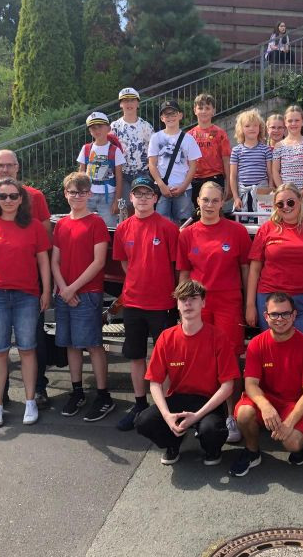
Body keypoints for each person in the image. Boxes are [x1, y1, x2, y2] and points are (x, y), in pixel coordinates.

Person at [0, 178, 52, 427]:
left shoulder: (34, 226)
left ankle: (30, 401)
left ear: (21, 199)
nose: (8, 200)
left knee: (27, 349)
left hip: (27, 295)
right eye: (3, 196)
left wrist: (46, 291)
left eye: (13, 196)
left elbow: (44, 261)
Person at [135, 280, 240, 466]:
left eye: (193, 298)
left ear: (203, 303)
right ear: (177, 304)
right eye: (183, 299)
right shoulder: (166, 337)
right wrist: (167, 416)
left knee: (211, 430)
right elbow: (155, 383)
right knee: (143, 421)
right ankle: (172, 443)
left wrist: (197, 416)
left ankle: (212, 449)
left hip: (208, 400)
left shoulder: (218, 337)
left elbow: (227, 386)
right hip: (178, 397)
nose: (188, 303)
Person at [177, 181, 252, 442]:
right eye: (205, 200)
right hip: (198, 304)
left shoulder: (236, 231)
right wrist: (182, 307)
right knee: (201, 358)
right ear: (197, 201)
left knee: (230, 358)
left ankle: (232, 415)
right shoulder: (186, 234)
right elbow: (184, 273)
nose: (209, 205)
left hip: (228, 302)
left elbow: (245, 270)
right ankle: (205, 414)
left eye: (215, 200)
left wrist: (248, 303)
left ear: (223, 203)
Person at [112, 175, 179, 431]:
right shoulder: (123, 228)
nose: (142, 198)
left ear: (155, 198)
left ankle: (166, 408)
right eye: (138, 194)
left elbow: (176, 265)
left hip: (162, 304)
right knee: (136, 355)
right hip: (133, 302)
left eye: (147, 194)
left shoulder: (168, 228)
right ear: (130, 197)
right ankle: (139, 404)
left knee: (165, 359)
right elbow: (124, 262)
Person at [229, 292, 303, 476]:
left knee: (293, 443)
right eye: (274, 314)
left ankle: (300, 443)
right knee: (244, 414)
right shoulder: (256, 343)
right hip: (266, 399)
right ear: (266, 316)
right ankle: (252, 452)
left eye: (285, 314)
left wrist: (289, 423)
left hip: (293, 404)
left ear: (294, 315)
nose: (280, 319)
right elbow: (251, 384)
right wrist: (265, 406)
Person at [51, 173, 114, 422]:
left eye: (82, 192)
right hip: (64, 293)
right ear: (65, 194)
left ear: (89, 194)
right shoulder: (61, 224)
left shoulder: (96, 223)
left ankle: (103, 395)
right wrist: (63, 288)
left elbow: (99, 262)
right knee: (71, 344)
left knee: (93, 344)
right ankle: (77, 391)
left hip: (87, 293)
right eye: (72, 192)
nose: (77, 196)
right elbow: (54, 261)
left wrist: (72, 288)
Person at [246, 183, 303, 358]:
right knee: (274, 356)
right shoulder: (267, 229)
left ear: (300, 200)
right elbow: (254, 269)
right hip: (271, 300)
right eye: (280, 204)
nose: (286, 207)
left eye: (290, 202)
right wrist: (250, 306)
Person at [148, 100, 202, 225]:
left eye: (173, 114)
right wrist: (161, 185)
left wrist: (183, 186)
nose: (170, 117)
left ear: (180, 115)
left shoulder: (189, 139)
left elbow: (193, 166)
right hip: (162, 188)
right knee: (161, 224)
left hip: (184, 188)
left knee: (184, 224)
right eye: (166, 115)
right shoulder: (156, 138)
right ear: (162, 118)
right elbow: (152, 164)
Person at [77, 111, 126, 228]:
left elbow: (119, 177)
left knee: (109, 228)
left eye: (100, 126)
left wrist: (117, 200)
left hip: (108, 196)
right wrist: (79, 195)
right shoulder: (86, 149)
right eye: (93, 128)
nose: (97, 130)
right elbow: (80, 174)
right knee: (83, 225)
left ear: (108, 128)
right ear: (89, 131)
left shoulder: (115, 150)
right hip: (88, 194)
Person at [110, 87, 154, 213]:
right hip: (122, 175)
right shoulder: (114, 127)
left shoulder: (146, 126)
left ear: (138, 103)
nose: (129, 104)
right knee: (124, 210)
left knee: (144, 208)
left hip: (142, 173)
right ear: (121, 104)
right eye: (125, 101)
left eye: (132, 100)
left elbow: (153, 152)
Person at [188, 93, 232, 212]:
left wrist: (229, 184)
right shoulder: (189, 135)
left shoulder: (220, 134)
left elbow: (226, 160)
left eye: (207, 108)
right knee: (198, 213)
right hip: (195, 179)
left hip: (215, 178)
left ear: (213, 111)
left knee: (216, 212)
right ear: (195, 110)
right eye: (200, 108)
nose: (204, 111)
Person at [229, 109, 272, 214]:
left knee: (262, 220)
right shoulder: (236, 150)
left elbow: (270, 174)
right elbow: (233, 176)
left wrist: (270, 193)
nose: (252, 128)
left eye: (255, 125)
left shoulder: (266, 149)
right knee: (244, 220)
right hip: (243, 193)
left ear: (260, 128)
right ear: (241, 129)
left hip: (262, 192)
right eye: (247, 126)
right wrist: (236, 197)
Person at [271, 105, 303, 201]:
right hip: (284, 195)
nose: (293, 123)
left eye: (297, 120)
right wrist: (283, 191)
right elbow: (275, 171)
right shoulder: (278, 146)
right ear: (285, 122)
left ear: (302, 121)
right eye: (290, 121)